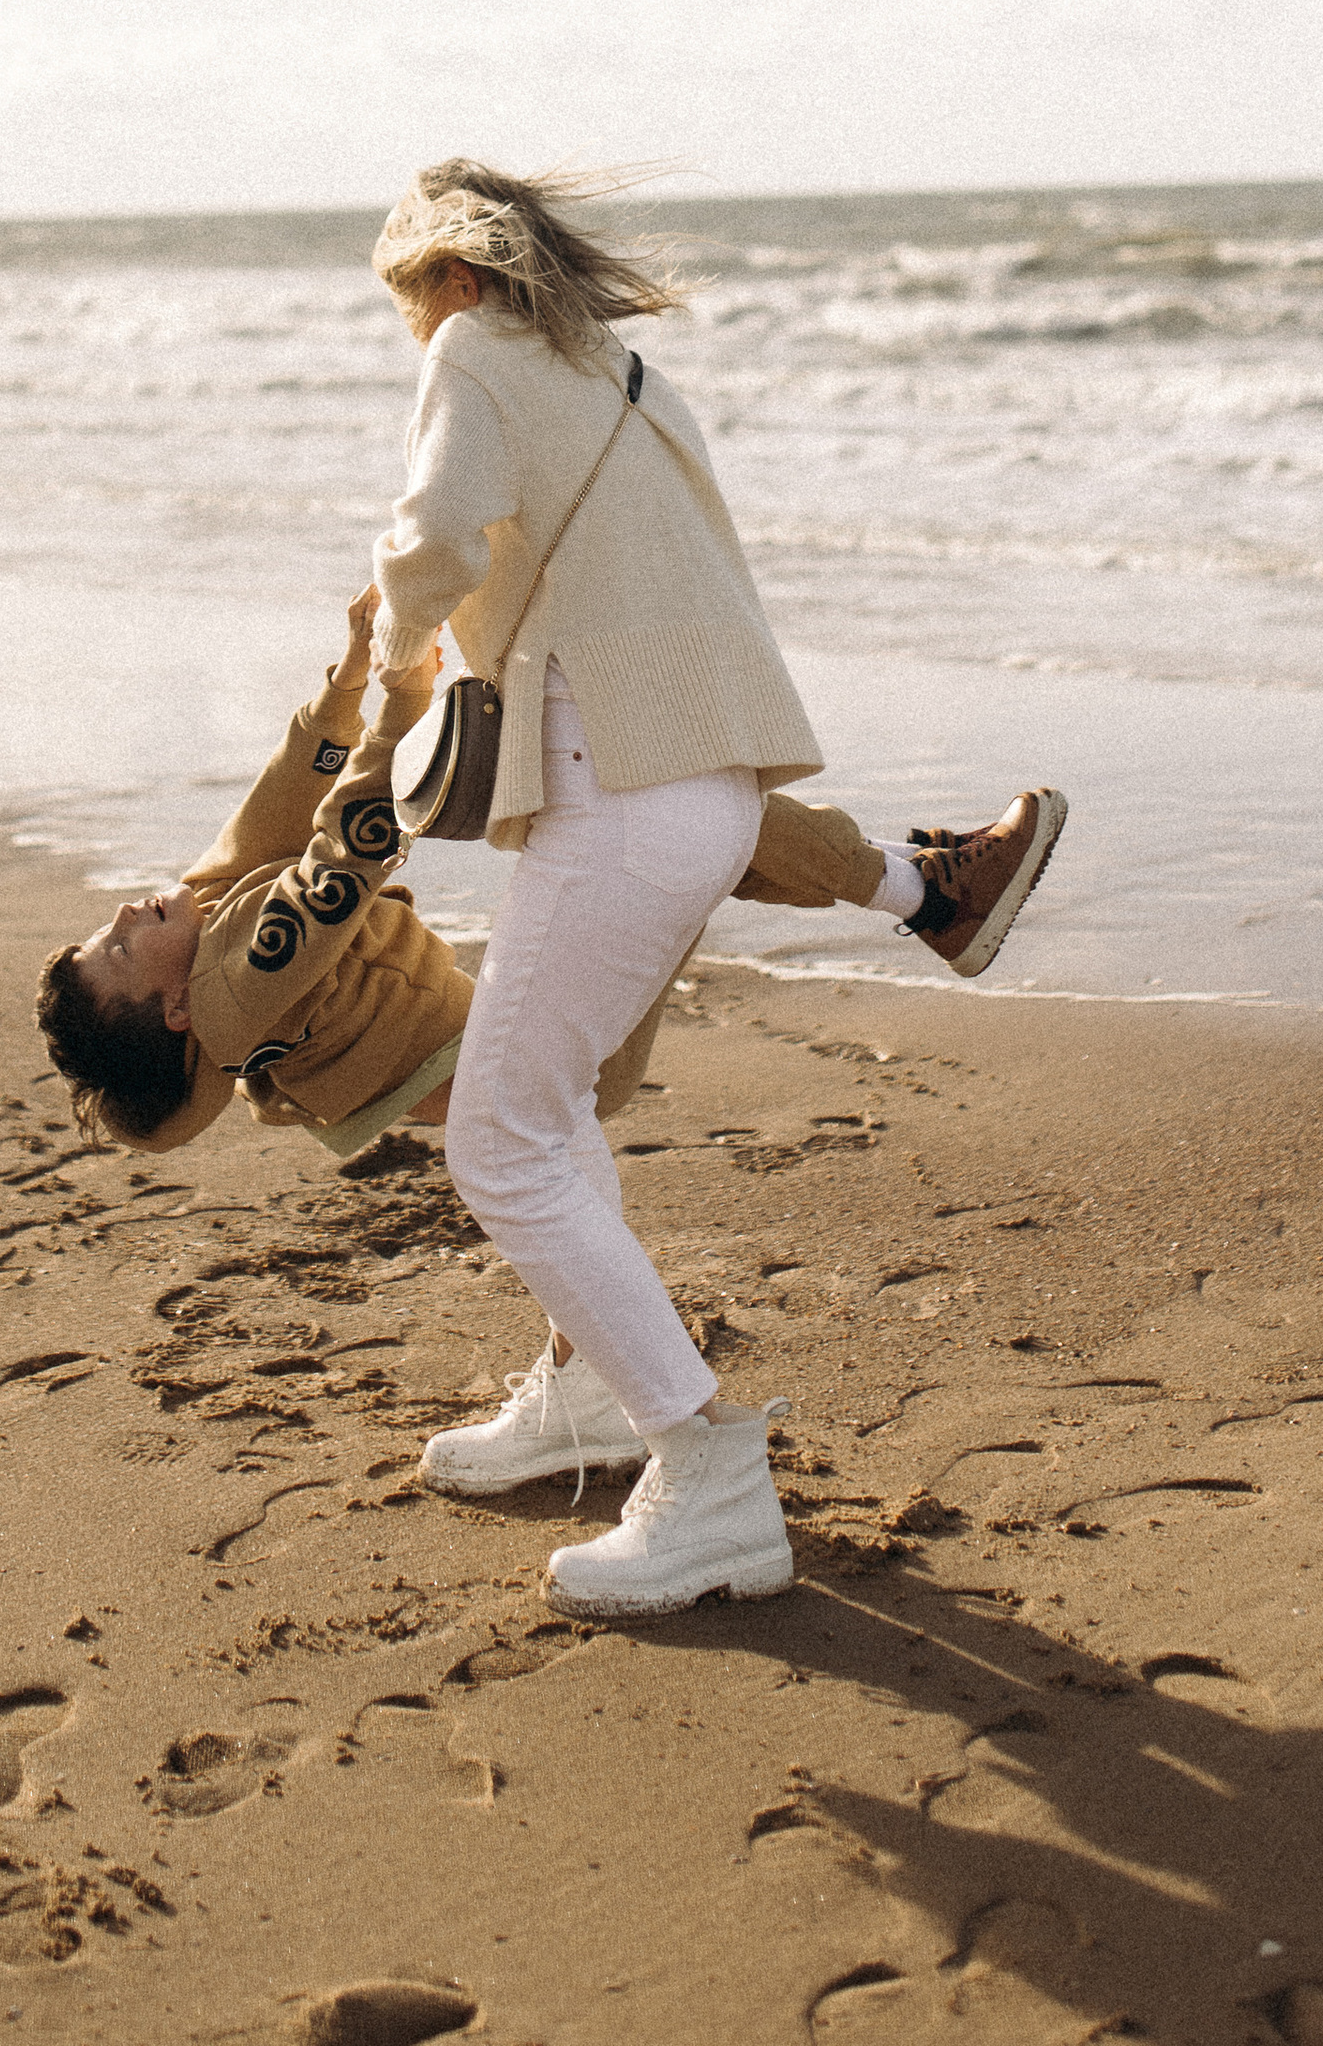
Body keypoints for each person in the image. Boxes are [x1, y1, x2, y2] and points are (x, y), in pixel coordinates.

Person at [367, 159, 1064, 1618]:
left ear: (458, 275)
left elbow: (432, 538)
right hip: (693, 793)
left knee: (496, 1144)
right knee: (545, 1113)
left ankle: (706, 1474)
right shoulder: (615, 369)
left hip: (616, 804)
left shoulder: (474, 351)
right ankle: (584, 1403)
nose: (407, 327)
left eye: (409, 295)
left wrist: (389, 692)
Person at [33, 586, 922, 1162]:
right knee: (668, 805)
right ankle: (920, 889)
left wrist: (351, 678)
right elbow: (349, 848)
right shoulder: (237, 995)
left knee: (687, 822)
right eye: (117, 949)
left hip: (525, 1037)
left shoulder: (207, 920)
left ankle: (913, 884)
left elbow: (284, 796)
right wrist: (407, 700)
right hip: (555, 1067)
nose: (120, 913)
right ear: (176, 1009)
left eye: (106, 934)